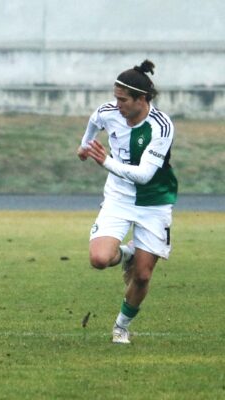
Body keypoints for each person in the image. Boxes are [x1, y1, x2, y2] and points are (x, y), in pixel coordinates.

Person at [77, 60, 177, 344]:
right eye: (115, 97)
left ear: (141, 99)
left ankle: (121, 326)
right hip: (118, 198)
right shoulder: (108, 112)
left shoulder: (161, 126)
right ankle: (128, 254)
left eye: (122, 99)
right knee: (99, 259)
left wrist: (105, 161)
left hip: (154, 201)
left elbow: (145, 176)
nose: (116, 104)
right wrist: (85, 146)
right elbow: (94, 122)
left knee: (143, 276)